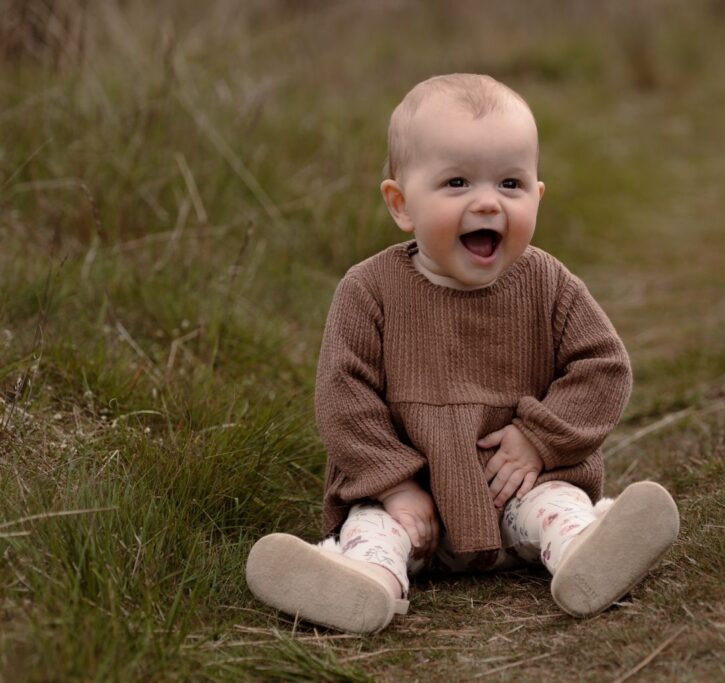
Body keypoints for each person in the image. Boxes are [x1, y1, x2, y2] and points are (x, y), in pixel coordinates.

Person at [246, 73, 679, 634]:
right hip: (415, 511)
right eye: (456, 183)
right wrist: (396, 484)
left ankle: (587, 555)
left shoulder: (548, 282)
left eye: (510, 183)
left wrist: (541, 439)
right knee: (372, 532)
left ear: (537, 196)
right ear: (401, 204)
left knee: (561, 510)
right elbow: (343, 396)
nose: (487, 202)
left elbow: (604, 367)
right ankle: (365, 584)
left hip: (520, 495)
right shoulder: (368, 290)